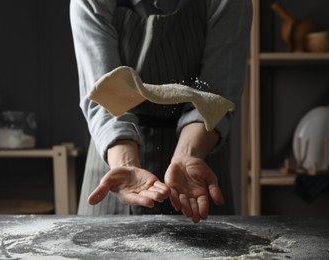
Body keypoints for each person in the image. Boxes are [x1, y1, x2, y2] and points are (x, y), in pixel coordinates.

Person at [70, 0, 252, 223]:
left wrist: (189, 154)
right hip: (114, 154)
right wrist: (124, 164)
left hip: (197, 158)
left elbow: (214, 97)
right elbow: (104, 96)